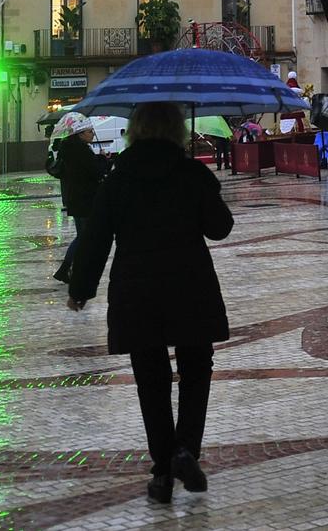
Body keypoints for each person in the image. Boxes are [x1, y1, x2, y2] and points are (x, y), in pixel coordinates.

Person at [68, 102, 235, 505]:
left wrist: (82, 286)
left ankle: (162, 472)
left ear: (136, 131)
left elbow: (96, 237)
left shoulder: (118, 177)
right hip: (190, 286)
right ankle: (184, 451)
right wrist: (207, 188)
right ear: (178, 131)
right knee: (197, 370)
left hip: (137, 292)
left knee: (151, 380)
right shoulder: (191, 172)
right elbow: (221, 228)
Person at [51, 113, 104, 284]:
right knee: (85, 237)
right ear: (80, 133)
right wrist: (103, 160)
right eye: (89, 131)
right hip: (85, 200)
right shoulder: (81, 151)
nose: (92, 134)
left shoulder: (71, 149)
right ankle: (68, 270)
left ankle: (69, 270)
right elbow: (94, 172)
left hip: (77, 199)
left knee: (84, 236)